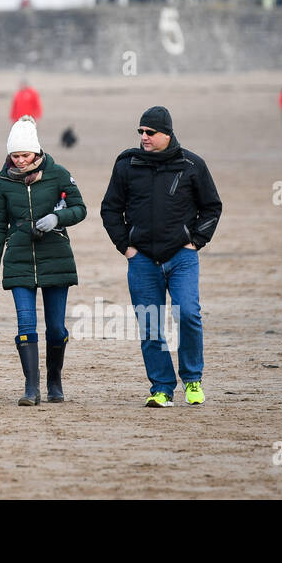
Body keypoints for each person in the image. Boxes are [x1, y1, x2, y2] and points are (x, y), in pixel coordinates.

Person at [100, 107, 222, 408]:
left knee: (188, 313)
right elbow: (110, 209)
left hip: (182, 257)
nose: (144, 137)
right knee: (150, 326)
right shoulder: (127, 165)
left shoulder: (192, 164)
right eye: (140, 132)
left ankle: (192, 379)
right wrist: (126, 247)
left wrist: (195, 242)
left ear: (167, 133)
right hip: (141, 259)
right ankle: (162, 388)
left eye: (150, 132)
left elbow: (212, 207)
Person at [0, 115, 86, 405]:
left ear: (37, 152)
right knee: (26, 324)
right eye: (14, 155)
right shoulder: (2, 181)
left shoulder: (59, 175)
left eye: (25, 155)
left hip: (55, 257)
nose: (20, 161)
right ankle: (31, 388)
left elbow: (80, 209)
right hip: (18, 260)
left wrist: (57, 217)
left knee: (55, 327)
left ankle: (55, 381)